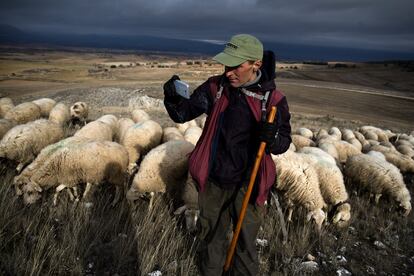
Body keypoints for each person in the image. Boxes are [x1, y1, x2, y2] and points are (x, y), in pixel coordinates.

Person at [163, 34, 291, 276]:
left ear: (256, 64)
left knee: (244, 245)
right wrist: (172, 97)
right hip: (214, 179)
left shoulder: (274, 100)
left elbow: (283, 142)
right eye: (227, 64)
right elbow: (183, 114)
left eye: (237, 66)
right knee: (211, 238)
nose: (229, 72)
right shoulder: (215, 88)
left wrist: (271, 137)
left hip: (249, 184)